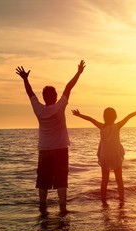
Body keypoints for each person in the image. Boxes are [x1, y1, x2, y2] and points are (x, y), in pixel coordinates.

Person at [16, 60, 86, 215]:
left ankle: (42, 208)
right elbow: (68, 87)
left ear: (44, 97)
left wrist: (25, 79)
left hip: (45, 150)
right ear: (54, 96)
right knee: (61, 179)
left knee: (43, 180)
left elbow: (30, 94)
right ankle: (62, 208)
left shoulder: (39, 109)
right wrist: (79, 73)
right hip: (60, 149)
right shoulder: (59, 107)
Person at [72, 103, 136, 205]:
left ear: (104, 117)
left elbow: (90, 119)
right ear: (115, 117)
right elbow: (129, 116)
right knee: (119, 179)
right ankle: (121, 200)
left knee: (105, 180)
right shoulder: (117, 126)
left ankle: (103, 201)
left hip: (105, 156)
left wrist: (79, 115)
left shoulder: (101, 126)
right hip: (116, 155)